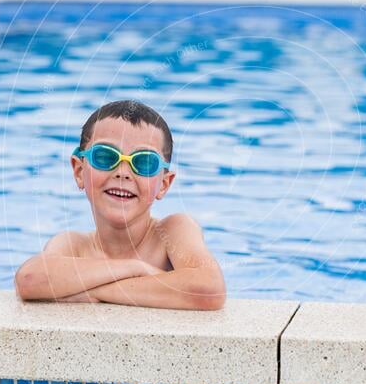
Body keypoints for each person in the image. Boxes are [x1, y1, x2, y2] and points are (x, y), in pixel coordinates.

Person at [14, 99, 226, 310]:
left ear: (163, 184)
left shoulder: (172, 231)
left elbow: (209, 290)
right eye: (105, 157)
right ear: (79, 171)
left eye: (144, 162)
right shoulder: (74, 245)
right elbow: (30, 279)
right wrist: (136, 268)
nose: (123, 172)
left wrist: (96, 291)